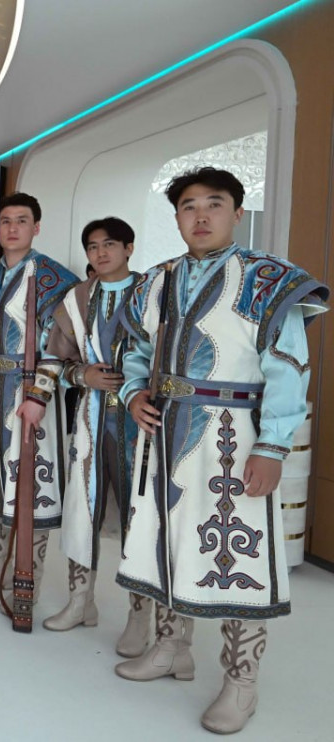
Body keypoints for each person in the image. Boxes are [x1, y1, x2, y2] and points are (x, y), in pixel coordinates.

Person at [115, 167, 327, 735]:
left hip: (235, 436)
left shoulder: (268, 279)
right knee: (166, 540)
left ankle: (241, 682)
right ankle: (171, 648)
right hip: (164, 433)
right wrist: (134, 394)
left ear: (237, 212)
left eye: (215, 203)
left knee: (237, 556)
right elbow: (136, 350)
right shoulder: (154, 281)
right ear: (177, 217)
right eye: (189, 206)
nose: (201, 215)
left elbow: (289, 367)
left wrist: (273, 446)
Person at [15, 217, 147, 649]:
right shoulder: (77, 299)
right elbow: (56, 357)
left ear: (128, 248)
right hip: (90, 417)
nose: (100, 253)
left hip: (142, 423)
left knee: (140, 517)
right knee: (82, 510)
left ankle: (140, 618)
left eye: (109, 244)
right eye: (92, 247)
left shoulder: (152, 292)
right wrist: (80, 377)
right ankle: (80, 601)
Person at [0, 193, 78, 608]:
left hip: (29, 392)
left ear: (36, 227)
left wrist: (40, 394)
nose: (12, 228)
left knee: (31, 484)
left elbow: (60, 343)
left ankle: (28, 574)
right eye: (5, 220)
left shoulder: (52, 277)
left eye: (22, 220)